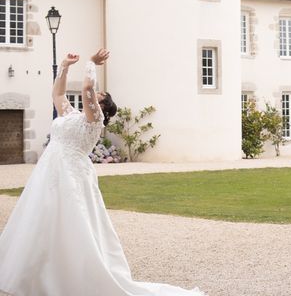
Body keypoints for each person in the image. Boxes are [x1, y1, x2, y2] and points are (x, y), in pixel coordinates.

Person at [0, 50, 206, 295]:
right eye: (97, 93)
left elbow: (87, 87)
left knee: (69, 221)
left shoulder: (93, 121)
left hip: (70, 175)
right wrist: (64, 66)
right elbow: (57, 94)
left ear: (103, 107)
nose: (95, 94)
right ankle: (33, 273)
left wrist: (90, 64)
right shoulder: (73, 116)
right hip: (49, 171)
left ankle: (68, 276)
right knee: (39, 216)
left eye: (100, 96)